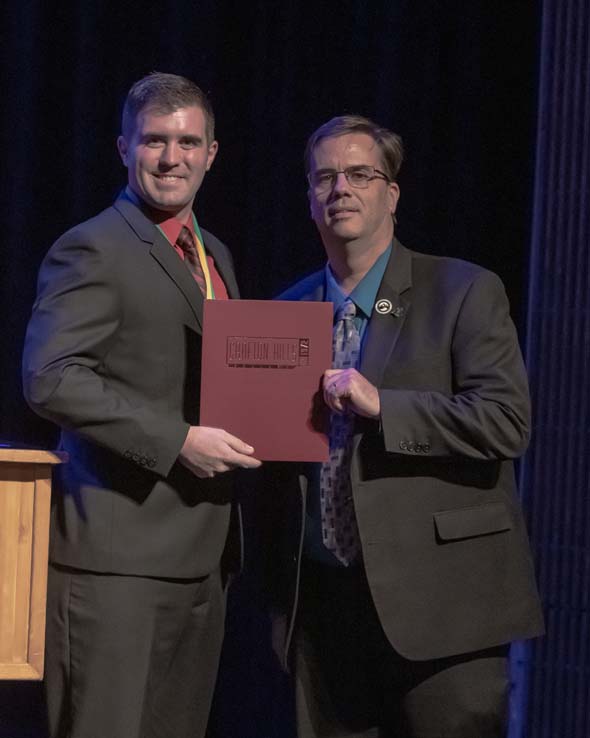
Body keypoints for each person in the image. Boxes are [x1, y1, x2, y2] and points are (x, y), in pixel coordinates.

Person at [268, 115, 543, 738]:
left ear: (391, 193)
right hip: (324, 609)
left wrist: (385, 405)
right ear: (310, 198)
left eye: (360, 174)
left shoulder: (461, 289)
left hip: (443, 608)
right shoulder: (285, 311)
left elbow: (506, 422)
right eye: (325, 177)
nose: (341, 187)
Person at [22, 72, 261, 738]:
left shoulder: (214, 254)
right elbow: (50, 376)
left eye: (188, 141)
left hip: (200, 560)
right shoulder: (92, 246)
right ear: (124, 146)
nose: (170, 158)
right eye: (155, 140)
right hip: (114, 564)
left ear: (212, 153)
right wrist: (177, 439)